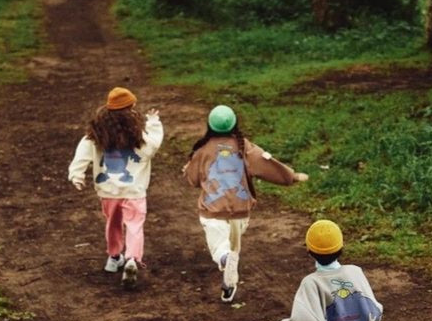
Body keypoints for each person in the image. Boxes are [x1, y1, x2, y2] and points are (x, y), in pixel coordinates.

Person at [183, 104, 308, 303]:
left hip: (213, 211)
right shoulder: (244, 147)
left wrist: (190, 169)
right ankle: (228, 286)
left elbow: (192, 179)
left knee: (220, 249)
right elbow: (267, 163)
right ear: (235, 124)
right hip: (241, 213)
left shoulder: (203, 150)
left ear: (209, 125)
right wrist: (290, 176)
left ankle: (224, 259)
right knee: (234, 249)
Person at [68, 87, 163, 288]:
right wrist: (154, 123)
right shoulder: (137, 133)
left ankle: (113, 257)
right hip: (134, 191)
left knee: (113, 223)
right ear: (131, 108)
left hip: (108, 190)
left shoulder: (97, 133)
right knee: (135, 225)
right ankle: (131, 259)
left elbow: (83, 152)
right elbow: (151, 148)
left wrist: (76, 174)